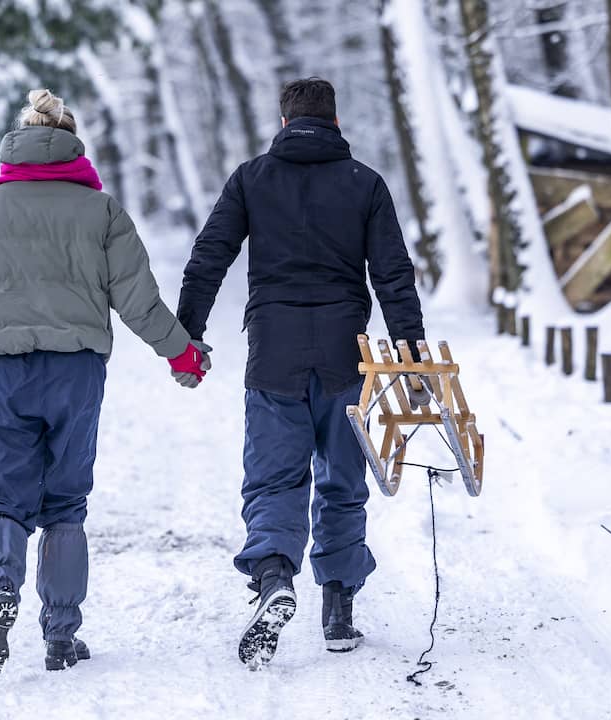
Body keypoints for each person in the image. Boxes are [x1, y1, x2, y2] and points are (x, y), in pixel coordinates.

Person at [0, 89, 211, 677]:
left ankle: (0, 591)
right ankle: (60, 634)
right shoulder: (100, 210)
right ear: (72, 143)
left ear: (20, 140)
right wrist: (180, 353)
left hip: (3, 370)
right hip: (75, 372)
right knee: (65, 502)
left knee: (3, 497)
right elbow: (138, 299)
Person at [177, 77, 427, 668]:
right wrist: (410, 352)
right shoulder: (365, 182)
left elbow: (209, 257)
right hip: (347, 352)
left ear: (284, 121)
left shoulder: (251, 178)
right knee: (342, 478)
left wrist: (188, 334)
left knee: (274, 478)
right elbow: (394, 274)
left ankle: (273, 578)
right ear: (335, 122)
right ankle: (338, 611)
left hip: (274, 353)